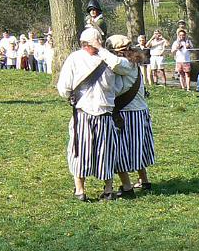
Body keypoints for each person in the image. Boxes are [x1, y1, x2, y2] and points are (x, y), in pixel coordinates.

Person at [56, 28, 133, 201]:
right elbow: (64, 88)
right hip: (86, 112)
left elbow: (125, 69)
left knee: (99, 151)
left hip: (101, 112)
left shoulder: (108, 59)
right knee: (84, 150)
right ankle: (84, 190)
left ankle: (100, 190)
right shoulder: (77, 58)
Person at [104, 35, 155, 197]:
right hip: (137, 112)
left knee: (121, 151)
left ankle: (127, 187)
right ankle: (144, 180)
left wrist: (99, 51)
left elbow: (116, 70)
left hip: (128, 114)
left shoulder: (124, 63)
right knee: (137, 149)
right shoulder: (131, 62)